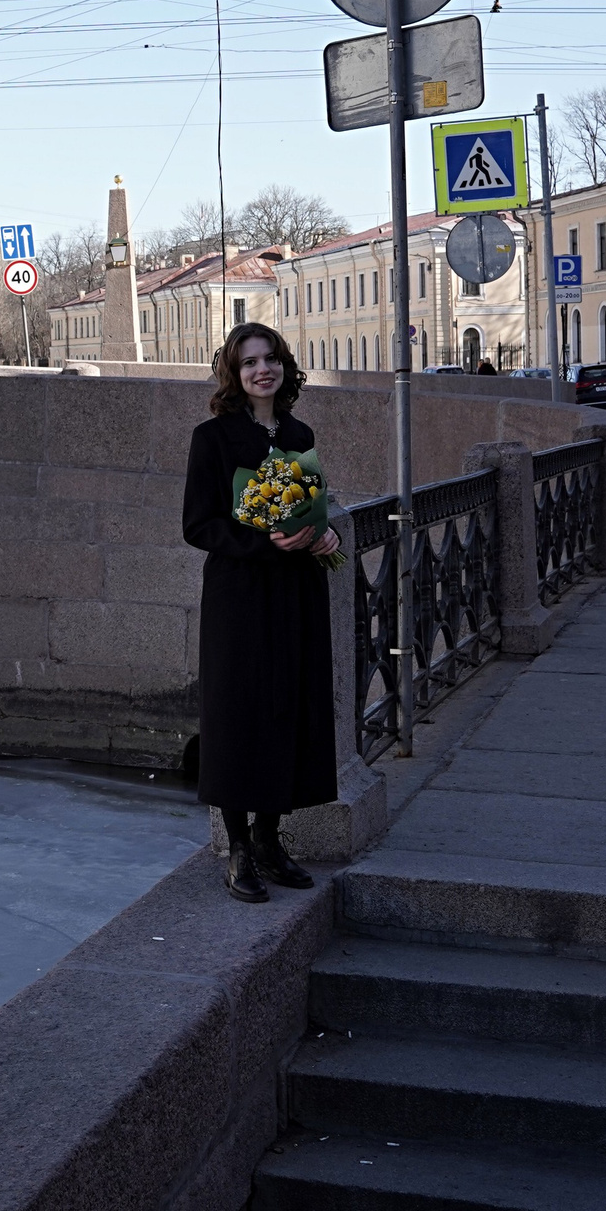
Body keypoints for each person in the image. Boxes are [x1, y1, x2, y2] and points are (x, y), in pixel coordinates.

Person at [182, 321, 340, 904]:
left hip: (296, 594)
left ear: (284, 366)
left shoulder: (299, 432)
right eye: (249, 363)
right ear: (234, 372)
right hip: (240, 595)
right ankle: (240, 849)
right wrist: (261, 544)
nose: (261, 370)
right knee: (238, 714)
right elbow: (198, 526)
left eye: (269, 359)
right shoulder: (213, 438)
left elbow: (311, 509)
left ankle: (273, 840)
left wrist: (324, 539)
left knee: (287, 710)